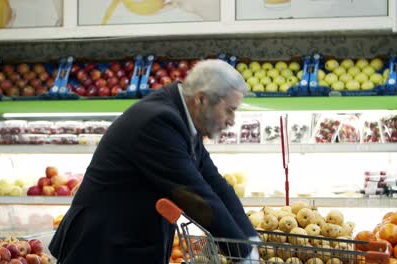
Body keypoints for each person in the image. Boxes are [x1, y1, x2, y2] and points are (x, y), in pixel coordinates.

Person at [49, 59, 259, 263]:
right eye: (230, 110)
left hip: (130, 243)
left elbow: (214, 182)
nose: (232, 120)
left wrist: (249, 239)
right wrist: (242, 253)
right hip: (101, 248)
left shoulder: (183, 117)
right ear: (201, 99)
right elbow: (194, 194)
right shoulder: (158, 121)